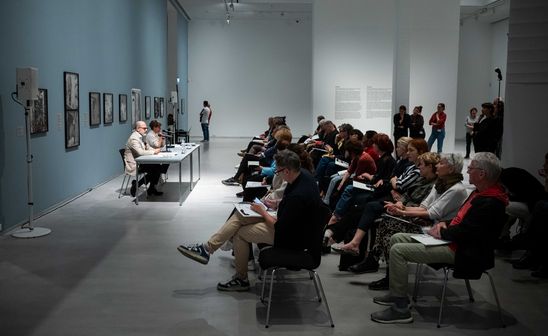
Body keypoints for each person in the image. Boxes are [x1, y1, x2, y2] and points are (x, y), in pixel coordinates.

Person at [370, 152, 508, 324]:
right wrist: (445, 224)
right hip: (455, 241)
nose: (468, 171)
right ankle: (397, 293)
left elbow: (469, 233)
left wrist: (442, 231)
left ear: (482, 174)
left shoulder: (491, 202)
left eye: (471, 168)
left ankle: (400, 309)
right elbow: (463, 222)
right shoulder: (480, 194)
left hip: (464, 251)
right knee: (397, 238)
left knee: (398, 250)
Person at [177, 149, 321, 291]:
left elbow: (280, 227)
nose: (277, 174)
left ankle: (238, 275)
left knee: (240, 233)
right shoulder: (304, 176)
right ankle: (208, 249)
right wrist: (277, 203)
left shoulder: (297, 196)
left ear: (287, 171)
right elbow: (290, 209)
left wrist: (263, 212)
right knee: (241, 217)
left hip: (292, 239)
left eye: (277, 172)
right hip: (297, 228)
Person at [124, 121, 163, 197]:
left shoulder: (140, 136)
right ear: (138, 129)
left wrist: (154, 150)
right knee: (156, 168)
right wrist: (154, 151)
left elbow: (146, 147)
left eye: (146, 128)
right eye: (144, 128)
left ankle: (150, 188)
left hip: (141, 161)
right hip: (134, 164)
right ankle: (138, 185)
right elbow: (140, 152)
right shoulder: (134, 139)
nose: (146, 130)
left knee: (158, 167)